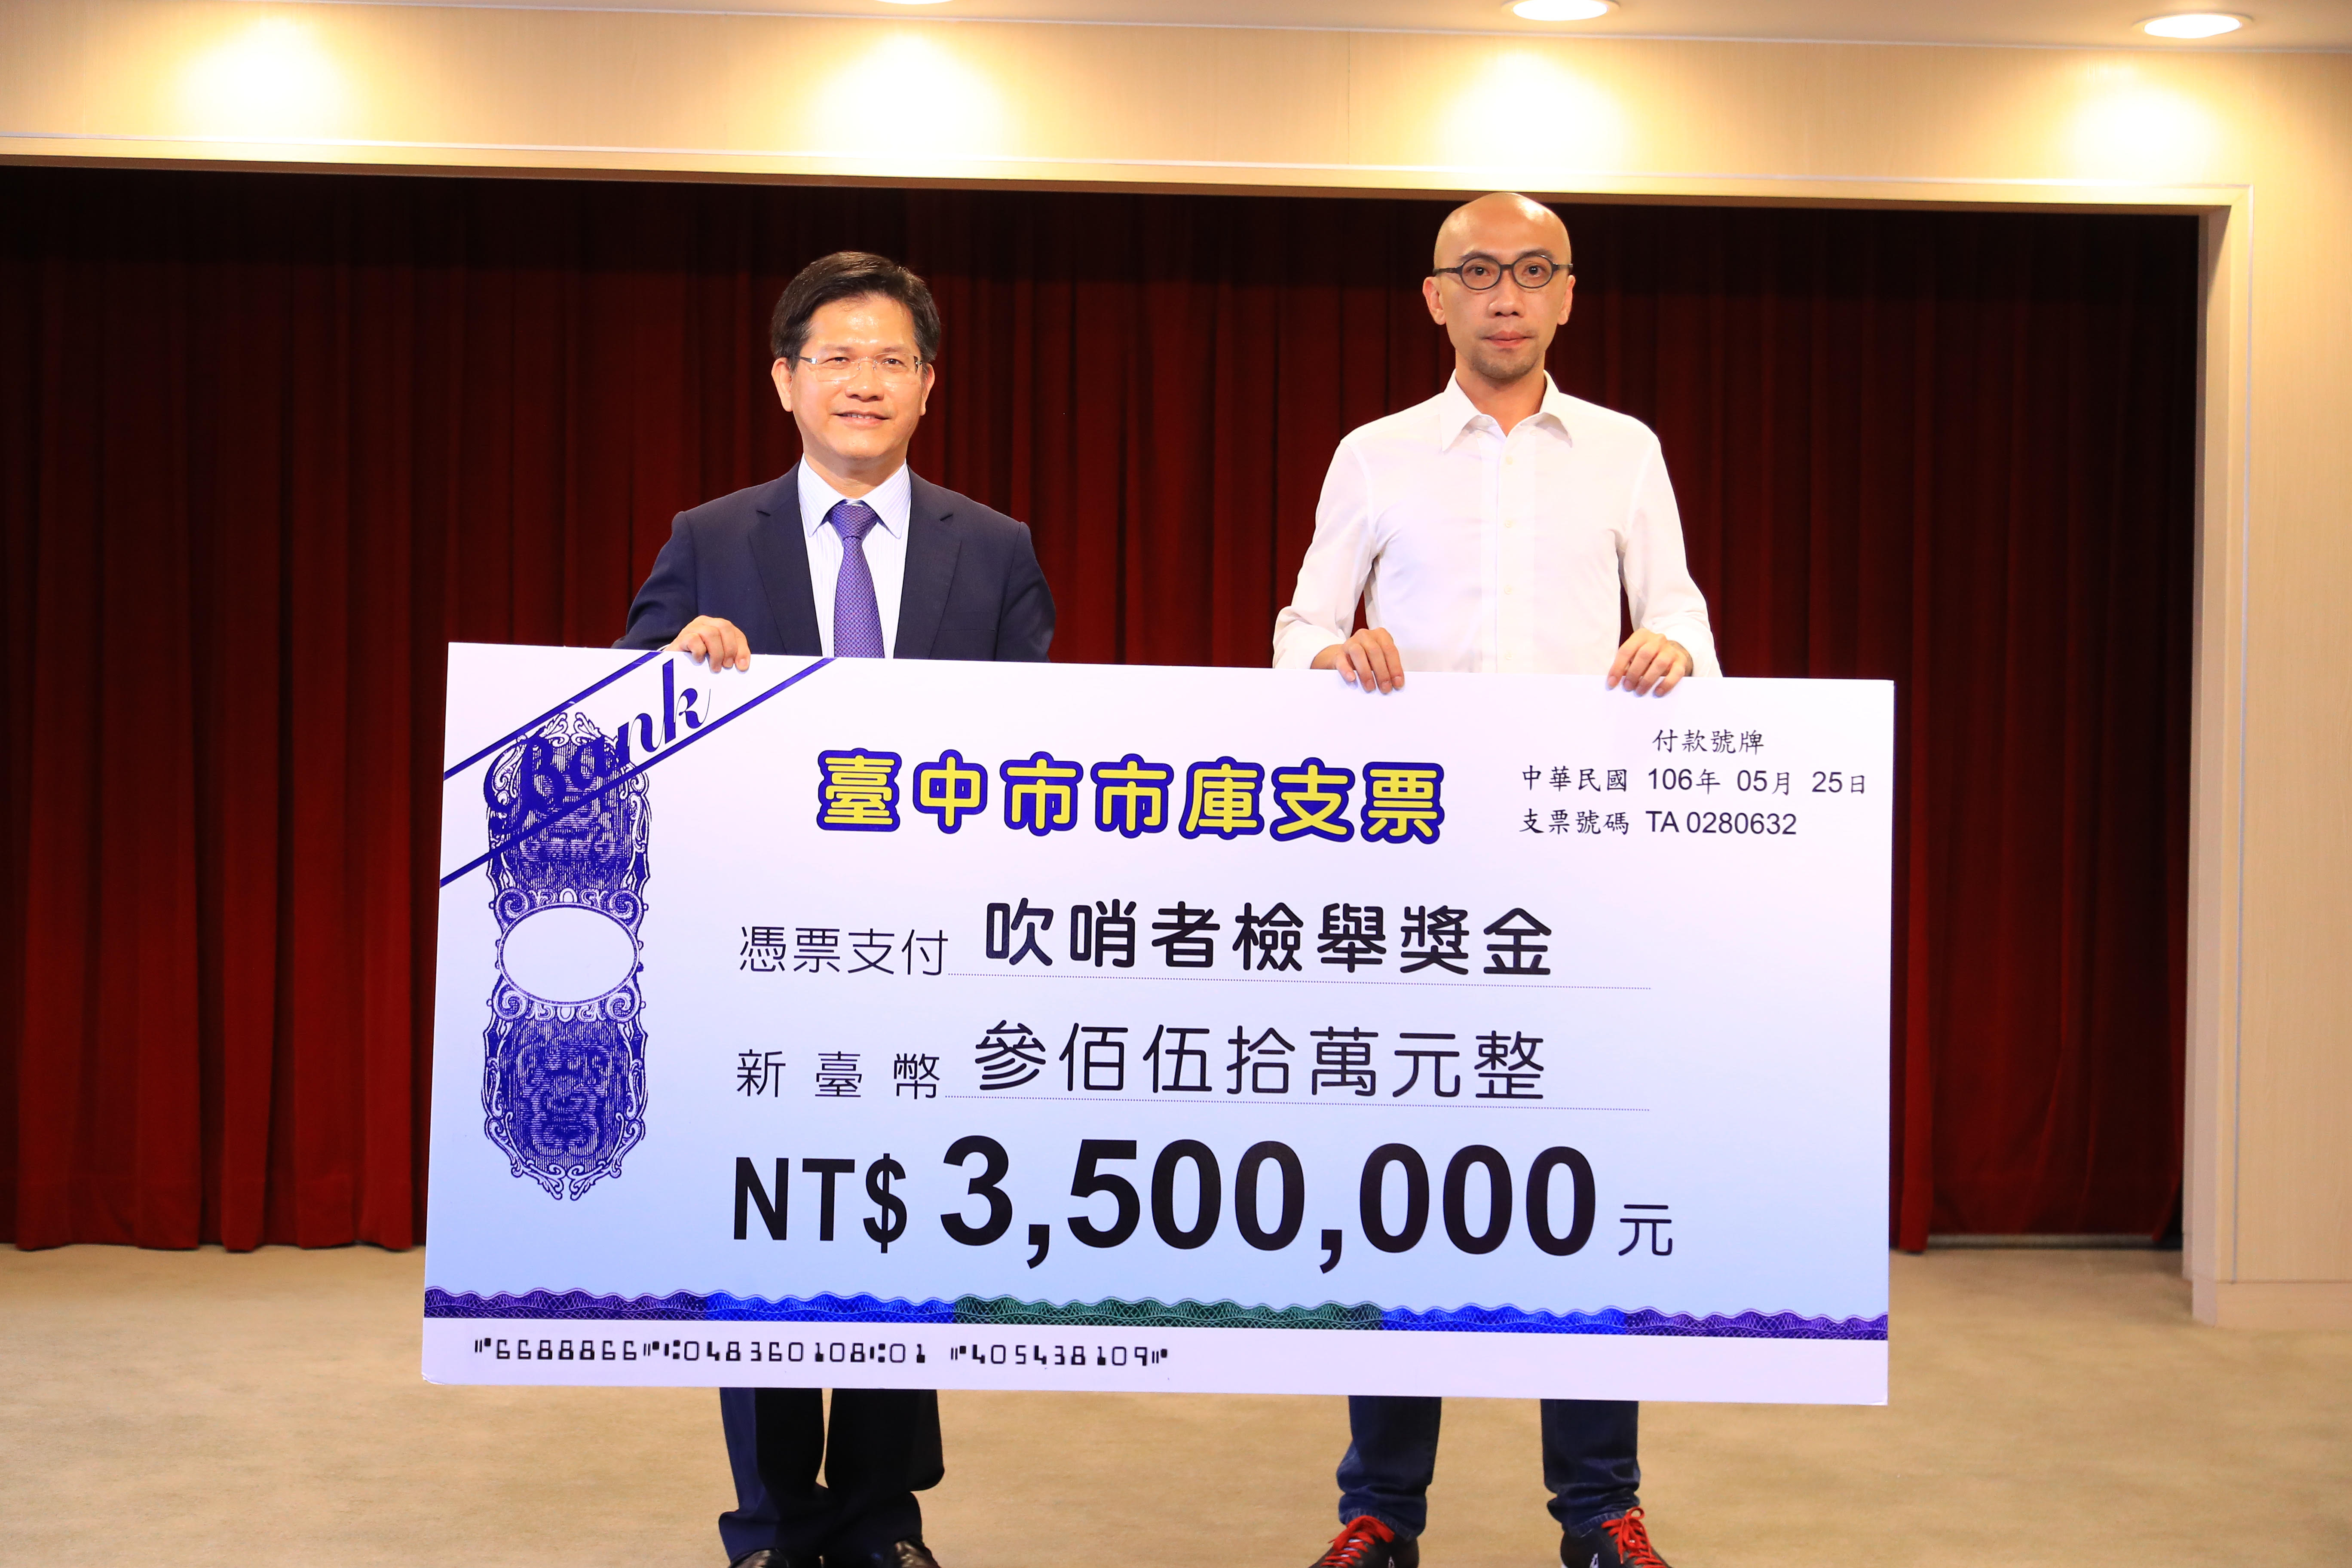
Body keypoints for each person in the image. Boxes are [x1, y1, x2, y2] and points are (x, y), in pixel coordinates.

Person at [1272, 193, 1717, 1568]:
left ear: (1568, 295)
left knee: (1579, 1190)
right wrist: (1334, 657)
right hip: (1414, 876)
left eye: (1532, 271)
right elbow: (1299, 628)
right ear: (1436, 298)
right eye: (1479, 272)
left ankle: (1601, 1509)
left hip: (1582, 874)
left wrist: (1674, 650)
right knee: (1405, 1194)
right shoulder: (1376, 454)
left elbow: (1682, 613)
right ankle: (1379, 1510)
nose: (1506, 294)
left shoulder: (1627, 453)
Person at [617, 250, 1054, 1568]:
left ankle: (880, 1517)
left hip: (930, 955)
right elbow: (616, 720)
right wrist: (670, 669)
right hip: (754, 951)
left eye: (891, 360)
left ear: (930, 386)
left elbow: (1047, 744)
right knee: (757, 1228)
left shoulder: (996, 546)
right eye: (836, 358)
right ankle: (768, 1521)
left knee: (897, 1226)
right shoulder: (710, 538)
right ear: (784, 382)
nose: (864, 382)